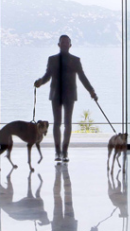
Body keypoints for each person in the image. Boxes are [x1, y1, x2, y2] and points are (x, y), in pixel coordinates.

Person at [34, 34, 97, 163]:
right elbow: (47, 76)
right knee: (57, 123)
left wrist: (91, 91)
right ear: (59, 44)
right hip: (56, 94)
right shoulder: (52, 59)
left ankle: (65, 151)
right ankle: (58, 152)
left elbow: (82, 77)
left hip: (69, 95)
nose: (64, 44)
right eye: (62, 42)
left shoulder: (75, 60)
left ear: (70, 45)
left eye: (66, 43)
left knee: (67, 123)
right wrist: (40, 82)